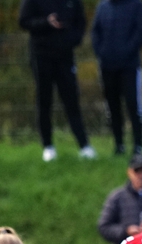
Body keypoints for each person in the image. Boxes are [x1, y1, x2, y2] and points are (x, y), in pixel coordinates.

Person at [19, 0, 96, 162]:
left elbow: (80, 22)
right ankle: (48, 146)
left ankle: (84, 146)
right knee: (44, 101)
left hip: (65, 56)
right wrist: (46, 22)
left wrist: (72, 39)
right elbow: (24, 21)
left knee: (71, 100)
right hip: (41, 55)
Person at [90, 0, 142, 156]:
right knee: (112, 105)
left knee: (133, 104)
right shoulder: (103, 7)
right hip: (107, 66)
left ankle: (138, 145)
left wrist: (128, 50)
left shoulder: (136, 5)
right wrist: (101, 51)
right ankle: (119, 145)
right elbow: (95, 31)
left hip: (130, 66)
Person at [98, 153, 142, 244]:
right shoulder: (117, 197)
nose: (141, 175)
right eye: (137, 171)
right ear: (129, 172)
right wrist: (125, 231)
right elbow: (104, 227)